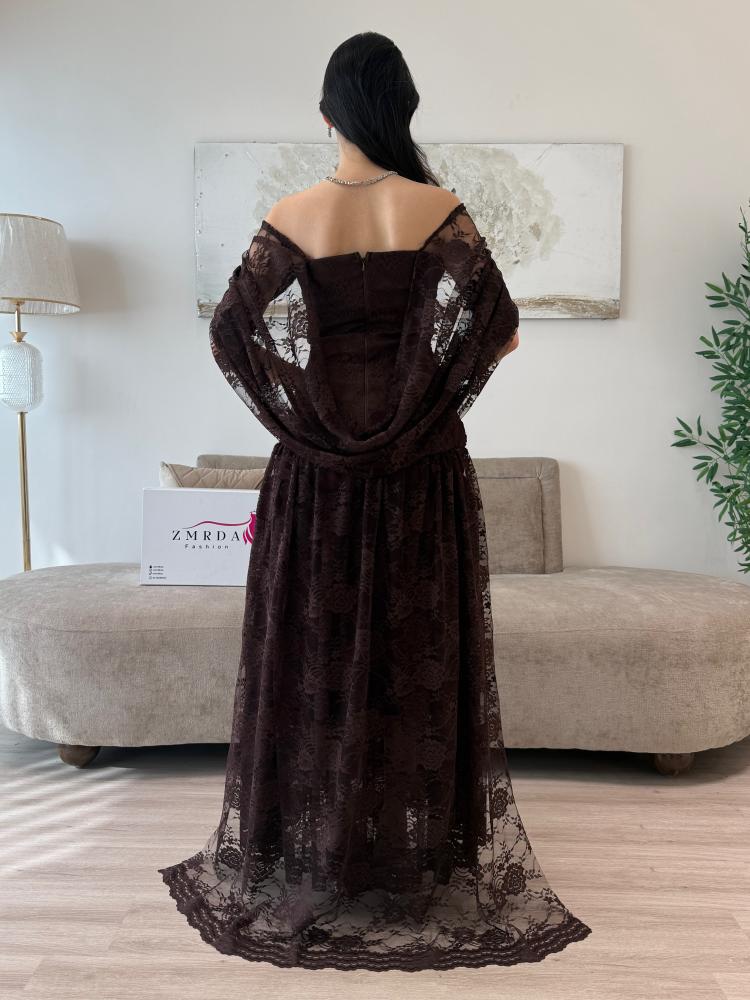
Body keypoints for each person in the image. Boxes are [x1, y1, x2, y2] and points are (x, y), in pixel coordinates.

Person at [158, 30, 592, 971]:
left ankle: (319, 854)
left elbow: (231, 335)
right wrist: (423, 398)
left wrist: (307, 412)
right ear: (402, 109)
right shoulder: (438, 209)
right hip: (419, 477)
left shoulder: (294, 213)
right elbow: (502, 333)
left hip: (314, 482)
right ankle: (408, 858)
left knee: (313, 658)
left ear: (326, 114)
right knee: (411, 659)